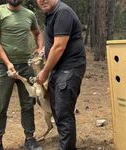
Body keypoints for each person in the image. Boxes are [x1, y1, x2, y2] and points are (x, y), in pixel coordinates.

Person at [0, 0, 44, 149]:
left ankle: (30, 138)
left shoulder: (29, 14)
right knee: (0, 105)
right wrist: (7, 63)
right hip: (3, 68)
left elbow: (38, 33)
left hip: (26, 66)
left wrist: (40, 48)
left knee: (27, 104)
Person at [36, 0, 86, 149]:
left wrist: (44, 72)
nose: (42, 0)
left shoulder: (62, 12)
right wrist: (44, 50)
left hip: (70, 68)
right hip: (58, 69)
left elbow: (59, 47)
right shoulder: (51, 13)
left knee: (63, 113)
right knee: (58, 111)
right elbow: (54, 42)